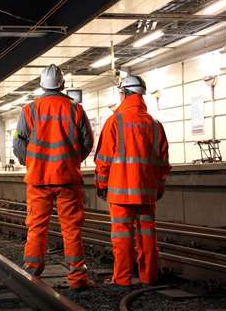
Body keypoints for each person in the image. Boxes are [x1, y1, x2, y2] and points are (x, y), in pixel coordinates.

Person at [13, 64, 94, 290]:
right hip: (68, 179)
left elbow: (19, 143)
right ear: (62, 85)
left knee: (37, 227)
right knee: (71, 228)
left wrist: (30, 163)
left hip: (38, 180)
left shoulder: (29, 110)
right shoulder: (75, 109)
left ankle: (32, 274)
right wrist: (72, 161)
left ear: (41, 85)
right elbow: (87, 142)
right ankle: (78, 278)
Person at [94, 75, 171, 287]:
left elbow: (103, 160)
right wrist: (159, 187)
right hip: (147, 192)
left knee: (122, 236)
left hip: (120, 193)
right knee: (147, 235)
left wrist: (101, 185)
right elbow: (162, 161)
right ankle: (149, 276)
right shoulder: (155, 124)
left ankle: (122, 278)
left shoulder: (114, 121)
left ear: (125, 93)